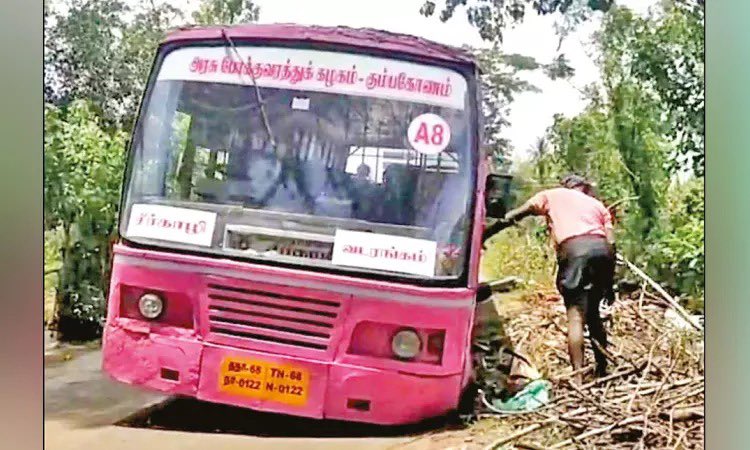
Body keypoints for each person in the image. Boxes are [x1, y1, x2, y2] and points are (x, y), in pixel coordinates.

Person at [485, 174, 616, 384]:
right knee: (593, 315)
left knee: (575, 316)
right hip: (603, 251)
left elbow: (513, 216)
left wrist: (485, 233)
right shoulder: (598, 205)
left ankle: (578, 378)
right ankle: (602, 369)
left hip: (574, 250)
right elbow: (611, 242)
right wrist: (609, 285)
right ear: (583, 188)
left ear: (566, 186)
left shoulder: (550, 195)